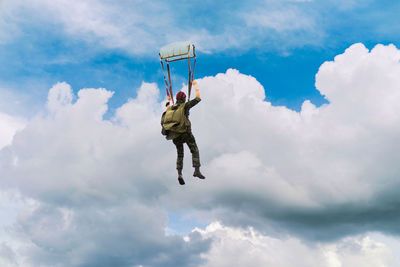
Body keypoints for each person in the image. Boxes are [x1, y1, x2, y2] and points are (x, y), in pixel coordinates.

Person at [161, 81, 205, 185]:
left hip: (174, 134)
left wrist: (168, 99)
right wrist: (195, 86)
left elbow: (167, 105)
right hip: (185, 133)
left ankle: (179, 174)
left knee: (180, 154)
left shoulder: (170, 108)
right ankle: (196, 170)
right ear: (184, 99)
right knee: (194, 150)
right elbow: (198, 98)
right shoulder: (185, 106)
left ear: (176, 99)